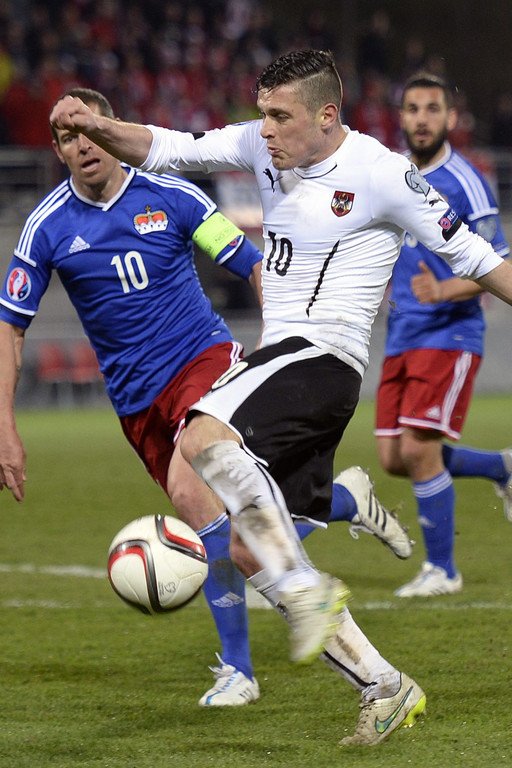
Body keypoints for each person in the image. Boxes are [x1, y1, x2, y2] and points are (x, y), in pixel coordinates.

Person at [49, 48, 512, 745]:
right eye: (261, 114)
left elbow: (475, 255)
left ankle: (303, 587)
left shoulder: (382, 173)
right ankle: (383, 685)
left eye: (279, 117)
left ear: (327, 115)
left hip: (325, 357)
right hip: (287, 362)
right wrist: (96, 125)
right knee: (245, 548)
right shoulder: (259, 146)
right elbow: (168, 148)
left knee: (201, 435)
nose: (264, 130)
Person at [0, 85, 409, 712]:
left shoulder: (173, 196)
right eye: (67, 137)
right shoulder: (47, 227)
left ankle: (239, 669)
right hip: (136, 404)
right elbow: (11, 328)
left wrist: (279, 343)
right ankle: (345, 500)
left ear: (112, 130)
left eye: (91, 130)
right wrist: (6, 426)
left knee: (200, 503)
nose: (83, 145)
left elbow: (252, 263)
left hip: (204, 362)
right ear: (57, 151)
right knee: (239, 524)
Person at [374, 72, 511, 598]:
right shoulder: (393, 174)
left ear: (450, 118)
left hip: (450, 333)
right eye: (413, 109)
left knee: (418, 449)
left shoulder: (466, 181)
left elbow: (499, 262)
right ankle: (501, 467)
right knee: (393, 457)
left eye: (433, 109)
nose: (422, 119)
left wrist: (444, 290)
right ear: (401, 117)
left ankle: (442, 570)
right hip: (403, 334)